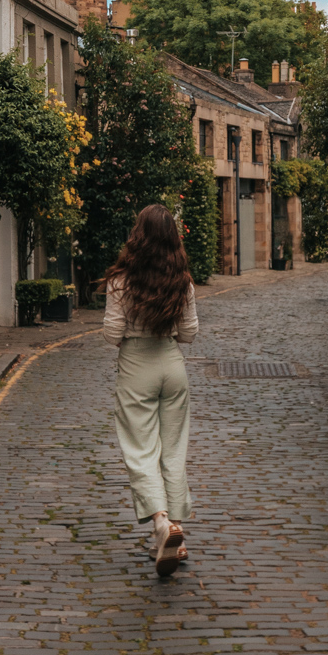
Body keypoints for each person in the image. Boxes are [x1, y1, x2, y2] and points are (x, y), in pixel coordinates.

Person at [102, 203, 199, 578]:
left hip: (136, 369)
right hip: (172, 367)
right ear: (173, 238)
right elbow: (189, 334)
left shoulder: (120, 281)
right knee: (173, 450)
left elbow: (112, 335)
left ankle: (161, 523)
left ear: (138, 235)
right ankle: (177, 532)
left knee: (141, 449)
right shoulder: (183, 281)